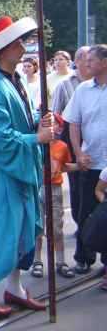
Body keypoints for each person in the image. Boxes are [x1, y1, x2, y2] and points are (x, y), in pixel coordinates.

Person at [0, 16, 53, 318]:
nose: (23, 47)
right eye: (17, 43)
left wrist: (39, 122)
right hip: (4, 171)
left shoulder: (16, 81)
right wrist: (37, 137)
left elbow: (22, 123)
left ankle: (14, 288)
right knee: (3, 230)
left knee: (25, 228)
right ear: (3, 49)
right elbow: (0, 139)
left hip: (22, 166)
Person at [63, 44, 107, 276]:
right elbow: (73, 123)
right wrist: (78, 153)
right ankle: (83, 257)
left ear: (104, 63)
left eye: (91, 60)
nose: (86, 64)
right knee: (84, 213)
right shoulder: (82, 90)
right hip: (90, 163)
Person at [30, 114, 77, 280]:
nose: (53, 127)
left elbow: (63, 166)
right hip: (39, 187)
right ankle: (37, 261)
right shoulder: (37, 145)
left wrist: (79, 166)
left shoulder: (62, 146)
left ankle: (61, 262)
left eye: (56, 125)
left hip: (55, 188)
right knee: (38, 227)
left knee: (56, 227)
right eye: (50, 124)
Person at [51, 46, 91, 227]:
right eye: (86, 58)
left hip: (97, 141)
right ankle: (81, 223)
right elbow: (56, 115)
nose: (90, 62)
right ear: (78, 61)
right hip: (73, 140)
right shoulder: (65, 84)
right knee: (77, 185)